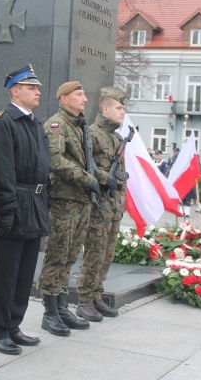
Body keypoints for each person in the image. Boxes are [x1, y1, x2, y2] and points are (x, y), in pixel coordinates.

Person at [0, 65, 51, 355]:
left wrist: (44, 203)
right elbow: (2, 172)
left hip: (34, 204)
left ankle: (14, 325)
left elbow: (43, 170)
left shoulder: (36, 124)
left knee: (25, 273)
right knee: (6, 273)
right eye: (31, 87)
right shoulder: (4, 123)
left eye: (37, 87)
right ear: (15, 90)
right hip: (15, 204)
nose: (38, 91)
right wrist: (7, 211)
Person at [37, 81, 101, 337]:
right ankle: (50, 312)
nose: (85, 98)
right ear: (64, 98)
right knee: (57, 256)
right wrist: (87, 179)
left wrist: (95, 178)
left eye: (84, 93)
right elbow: (55, 160)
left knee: (71, 256)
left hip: (80, 200)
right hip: (64, 201)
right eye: (79, 94)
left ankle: (62, 306)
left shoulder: (79, 125)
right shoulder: (57, 124)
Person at [76, 86, 129, 321]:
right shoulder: (92, 134)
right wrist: (103, 178)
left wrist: (123, 200)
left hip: (114, 206)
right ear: (105, 109)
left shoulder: (117, 137)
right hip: (99, 205)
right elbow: (87, 166)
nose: (122, 112)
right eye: (119, 108)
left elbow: (122, 175)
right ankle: (84, 299)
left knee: (107, 254)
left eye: (123, 109)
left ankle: (97, 294)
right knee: (94, 253)